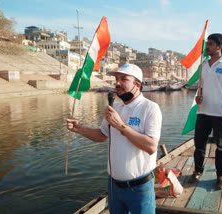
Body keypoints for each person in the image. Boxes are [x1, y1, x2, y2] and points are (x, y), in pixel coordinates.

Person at [67, 64, 162, 214]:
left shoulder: (150, 108)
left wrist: (120, 125)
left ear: (137, 84)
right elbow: (102, 135)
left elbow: (151, 146)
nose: (117, 83)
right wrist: (79, 128)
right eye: (116, 79)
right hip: (113, 186)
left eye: (123, 79)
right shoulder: (115, 108)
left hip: (139, 187)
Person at [193, 33, 222, 189]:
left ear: (219, 47)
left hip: (220, 113)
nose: (207, 47)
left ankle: (221, 175)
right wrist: (198, 97)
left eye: (211, 44)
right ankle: (198, 170)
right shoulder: (204, 65)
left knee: (221, 146)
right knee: (199, 144)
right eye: (207, 43)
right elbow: (201, 88)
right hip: (202, 112)